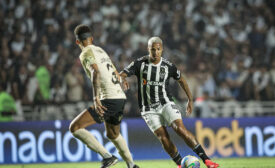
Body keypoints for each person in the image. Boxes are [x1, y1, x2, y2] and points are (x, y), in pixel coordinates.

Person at [120, 37, 219, 168]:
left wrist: (190, 99)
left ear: (162, 49)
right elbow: (121, 73)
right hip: (148, 109)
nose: (155, 52)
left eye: (158, 49)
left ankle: (207, 160)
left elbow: (182, 80)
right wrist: (122, 79)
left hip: (166, 103)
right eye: (152, 49)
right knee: (163, 137)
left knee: (180, 129)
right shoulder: (140, 63)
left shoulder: (168, 66)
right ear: (148, 49)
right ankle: (180, 164)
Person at [69, 24, 139, 168]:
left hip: (108, 98)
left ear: (77, 42)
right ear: (92, 38)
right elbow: (113, 70)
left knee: (75, 127)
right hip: (120, 97)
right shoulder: (100, 50)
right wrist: (122, 79)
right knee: (113, 134)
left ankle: (107, 157)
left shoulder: (85, 53)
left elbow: (96, 72)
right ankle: (132, 165)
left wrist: (96, 98)